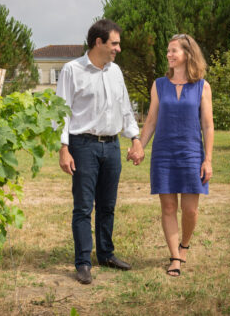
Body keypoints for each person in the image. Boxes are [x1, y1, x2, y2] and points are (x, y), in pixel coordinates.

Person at [56, 19, 144, 285]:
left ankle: (106, 254)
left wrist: (136, 138)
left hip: (112, 146)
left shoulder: (115, 72)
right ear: (99, 42)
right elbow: (61, 112)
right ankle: (83, 262)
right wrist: (63, 148)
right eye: (114, 43)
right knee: (83, 207)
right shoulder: (71, 70)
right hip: (83, 146)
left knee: (107, 205)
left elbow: (125, 107)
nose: (118, 48)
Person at [128, 33, 214, 277]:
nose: (169, 55)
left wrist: (208, 159)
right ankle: (174, 257)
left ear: (188, 54)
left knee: (190, 210)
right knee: (168, 206)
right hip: (164, 153)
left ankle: (184, 245)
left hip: (191, 153)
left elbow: (208, 125)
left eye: (174, 50)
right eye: (168, 51)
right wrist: (140, 146)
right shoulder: (159, 84)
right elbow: (152, 120)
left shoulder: (202, 86)